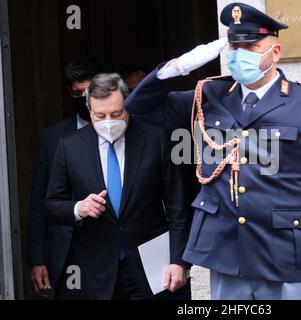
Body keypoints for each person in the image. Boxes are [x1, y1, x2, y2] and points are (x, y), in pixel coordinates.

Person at [126, 3, 301, 300]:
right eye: (234, 46)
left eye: (251, 45)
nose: (239, 53)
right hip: (227, 254)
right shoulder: (209, 95)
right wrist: (176, 68)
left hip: (286, 256)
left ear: (275, 52)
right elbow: (138, 108)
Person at [46, 73, 192, 300]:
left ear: (127, 105)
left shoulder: (156, 139)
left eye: (116, 114)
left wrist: (178, 260)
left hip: (152, 267)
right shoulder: (69, 147)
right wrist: (78, 208)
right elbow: (52, 204)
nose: (108, 122)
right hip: (97, 272)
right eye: (99, 115)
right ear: (89, 110)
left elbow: (178, 207)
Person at [28, 56, 102, 298]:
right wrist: (37, 259)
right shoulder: (53, 138)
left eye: (88, 92)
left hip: (112, 247)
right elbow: (40, 201)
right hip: (68, 249)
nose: (83, 99)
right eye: (76, 93)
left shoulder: (125, 128)